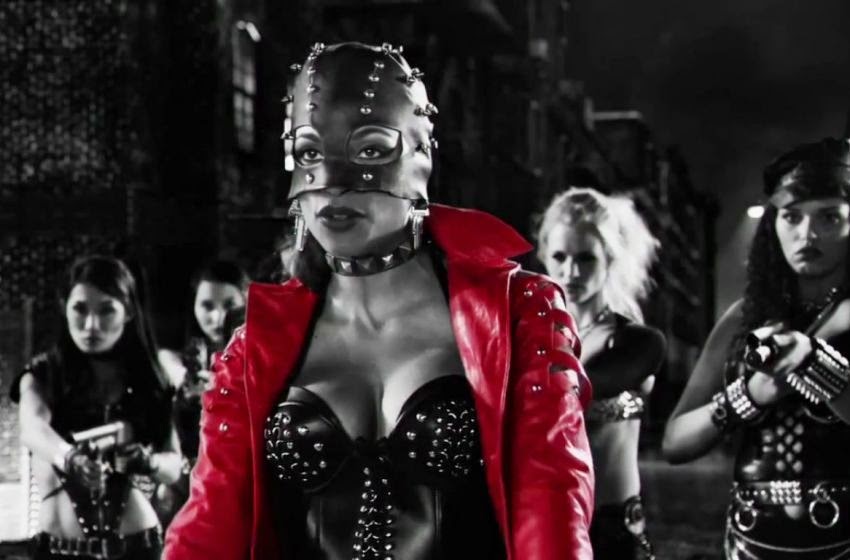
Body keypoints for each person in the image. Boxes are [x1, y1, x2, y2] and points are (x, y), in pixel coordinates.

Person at [164, 41, 594, 559]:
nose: (333, 185)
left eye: (370, 150)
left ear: (420, 157)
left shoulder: (517, 314)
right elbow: (207, 529)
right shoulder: (252, 349)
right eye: (309, 152)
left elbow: (552, 511)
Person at [663, 137, 850, 558]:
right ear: (773, 223)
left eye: (829, 217)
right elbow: (675, 442)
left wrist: (812, 361)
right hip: (751, 544)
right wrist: (749, 395)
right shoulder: (744, 317)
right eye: (792, 216)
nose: (807, 234)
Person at [11, 256, 182, 559]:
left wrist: (147, 461)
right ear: (64, 307)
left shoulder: (148, 381)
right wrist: (71, 458)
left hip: (137, 546)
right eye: (80, 309)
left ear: (128, 312)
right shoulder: (44, 374)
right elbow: (33, 429)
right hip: (59, 549)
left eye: (106, 310)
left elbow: (173, 467)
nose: (91, 325)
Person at [536, 187, 665, 559]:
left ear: (610, 259)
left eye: (586, 258)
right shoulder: (529, 337)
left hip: (613, 530)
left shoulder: (637, 342)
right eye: (559, 257)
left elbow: (579, 387)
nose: (571, 272)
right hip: (546, 522)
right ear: (544, 256)